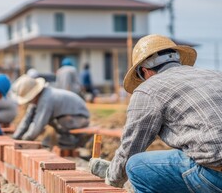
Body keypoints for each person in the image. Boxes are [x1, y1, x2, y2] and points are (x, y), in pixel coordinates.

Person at [89, 34, 222, 192]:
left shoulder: (148, 89)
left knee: (136, 166)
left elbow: (132, 146)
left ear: (145, 71)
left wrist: (112, 176)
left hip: (215, 175)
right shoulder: (215, 75)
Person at [12, 74, 90, 149]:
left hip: (79, 118)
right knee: (54, 122)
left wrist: (25, 140)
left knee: (59, 121)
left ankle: (74, 141)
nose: (29, 102)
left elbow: (38, 123)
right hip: (68, 116)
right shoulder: (38, 99)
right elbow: (27, 119)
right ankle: (65, 140)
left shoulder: (46, 99)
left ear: (34, 94)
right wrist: (15, 137)